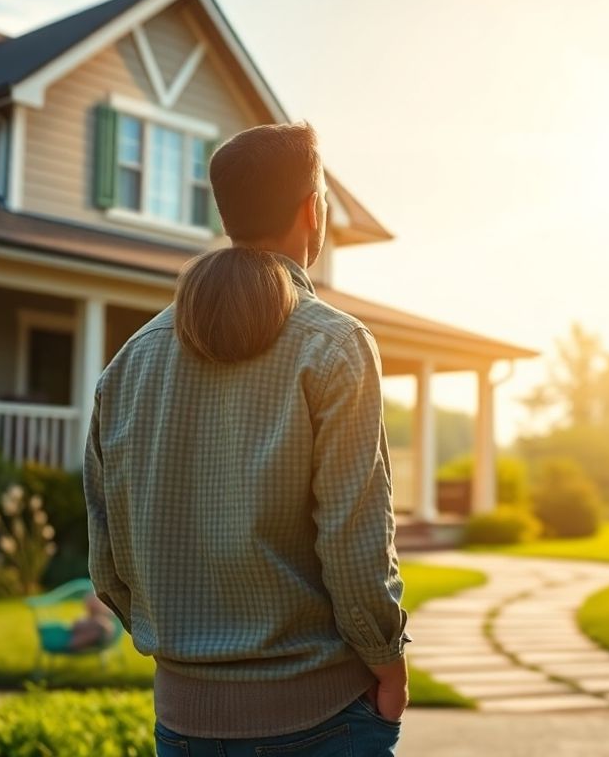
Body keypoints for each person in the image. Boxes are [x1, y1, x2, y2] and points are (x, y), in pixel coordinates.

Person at [84, 122, 410, 756]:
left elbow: (107, 562)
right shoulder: (336, 345)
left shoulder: (129, 362)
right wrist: (389, 664)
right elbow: (353, 538)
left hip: (183, 726)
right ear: (312, 211)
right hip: (325, 720)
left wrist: (186, 657)